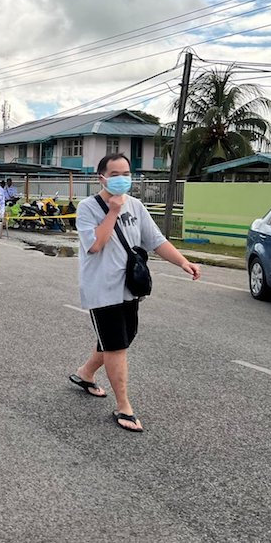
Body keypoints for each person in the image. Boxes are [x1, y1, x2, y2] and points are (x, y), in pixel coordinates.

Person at [69, 153, 201, 433]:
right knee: (116, 345)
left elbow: (156, 241)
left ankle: (85, 373)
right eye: (115, 174)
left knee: (119, 339)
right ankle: (123, 406)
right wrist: (113, 211)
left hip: (129, 287)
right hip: (102, 290)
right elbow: (94, 245)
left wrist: (183, 262)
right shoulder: (87, 207)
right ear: (101, 177)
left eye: (126, 173)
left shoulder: (137, 206)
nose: (122, 179)